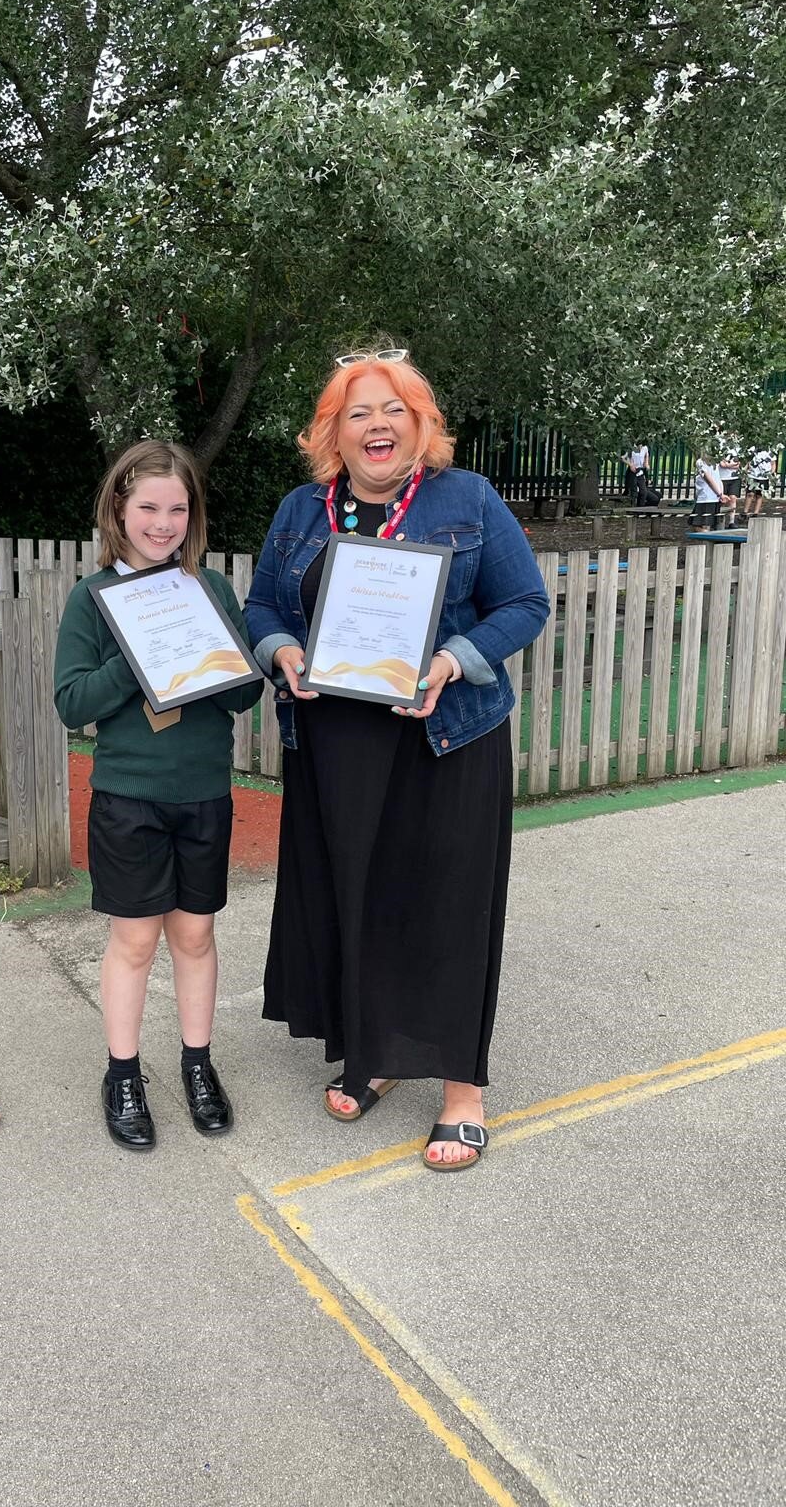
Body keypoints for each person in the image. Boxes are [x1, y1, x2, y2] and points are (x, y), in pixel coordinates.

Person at [245, 349, 550, 1170]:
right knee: (359, 900)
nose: (376, 425)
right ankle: (374, 1055)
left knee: (449, 906)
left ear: (420, 424)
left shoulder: (470, 499)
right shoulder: (302, 510)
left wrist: (452, 659)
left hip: (445, 739)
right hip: (336, 744)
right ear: (332, 433)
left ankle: (461, 1091)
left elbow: (526, 603)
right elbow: (263, 604)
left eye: (393, 411)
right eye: (358, 413)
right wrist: (281, 650)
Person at [53, 442, 263, 1151]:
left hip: (201, 789)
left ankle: (198, 1064)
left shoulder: (212, 590)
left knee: (196, 934)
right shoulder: (93, 598)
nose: (163, 522)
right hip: (129, 794)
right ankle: (122, 1073)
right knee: (136, 940)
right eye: (148, 507)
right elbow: (71, 700)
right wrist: (136, 655)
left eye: (178, 508)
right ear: (120, 508)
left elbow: (242, 693)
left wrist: (216, 652)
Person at [691, 455, 733, 529]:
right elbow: (718, 480)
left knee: (701, 526)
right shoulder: (713, 463)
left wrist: (720, 494)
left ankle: (709, 539)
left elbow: (710, 480)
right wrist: (721, 494)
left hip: (706, 498)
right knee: (701, 525)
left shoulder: (702, 463)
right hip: (713, 497)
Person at [743, 449, 774, 518]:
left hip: (764, 477)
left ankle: (755, 513)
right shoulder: (752, 449)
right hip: (752, 475)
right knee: (750, 493)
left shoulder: (770, 450)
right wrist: (745, 470)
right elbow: (748, 461)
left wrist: (771, 474)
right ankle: (745, 512)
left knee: (759, 495)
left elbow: (773, 463)